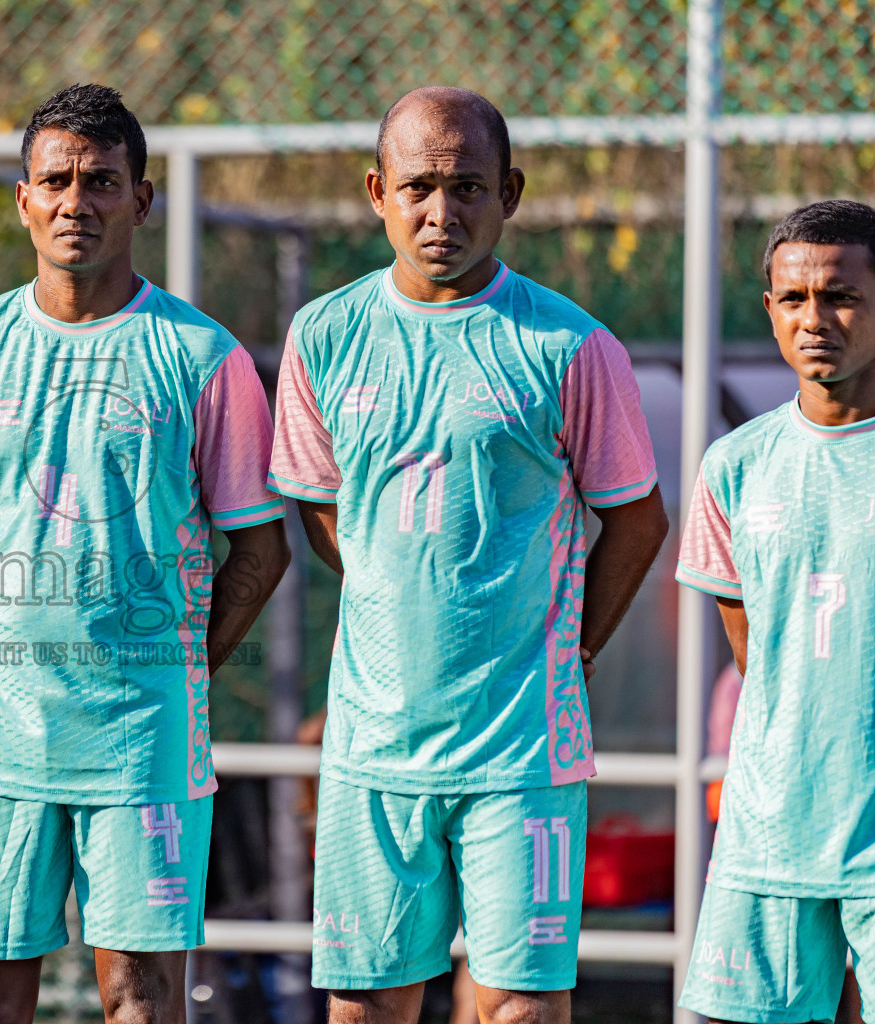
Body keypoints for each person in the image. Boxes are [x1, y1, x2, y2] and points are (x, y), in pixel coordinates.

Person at [268, 86, 669, 1024]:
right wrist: (401, 604)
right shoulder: (323, 335)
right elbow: (324, 511)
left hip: (521, 748)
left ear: (509, 194)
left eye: (467, 188)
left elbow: (638, 522)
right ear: (378, 193)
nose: (440, 212)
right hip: (373, 748)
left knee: (518, 1009)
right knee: (365, 1007)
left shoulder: (571, 345)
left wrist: (573, 648)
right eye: (416, 188)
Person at [0, 84, 290, 1024]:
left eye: (103, 181)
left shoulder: (202, 357)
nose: (77, 201)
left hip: (138, 742)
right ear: (23, 199)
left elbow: (262, 548)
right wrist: (9, 642)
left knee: (141, 997)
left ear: (141, 201)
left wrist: (180, 665)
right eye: (57, 180)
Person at [676, 199, 875, 1024]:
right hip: (771, 833)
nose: (814, 319)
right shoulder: (734, 465)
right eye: (794, 298)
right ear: (769, 308)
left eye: (842, 296)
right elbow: (753, 652)